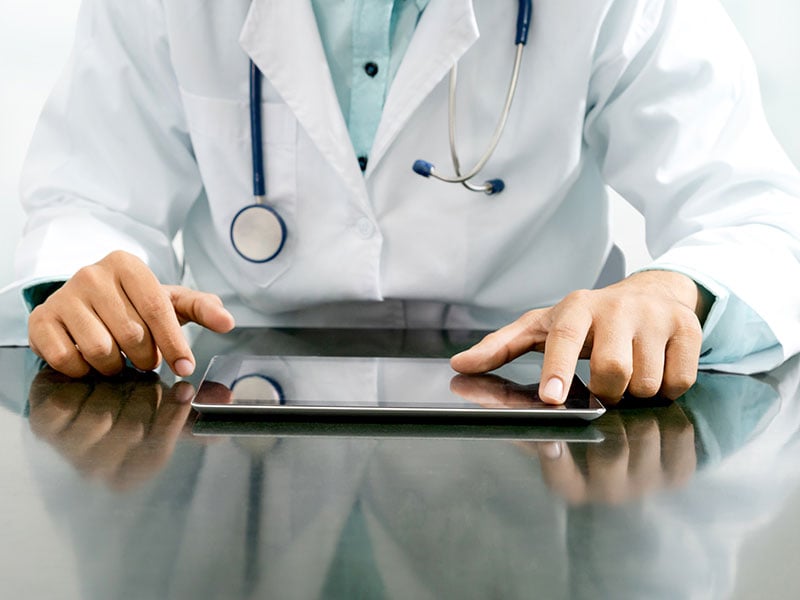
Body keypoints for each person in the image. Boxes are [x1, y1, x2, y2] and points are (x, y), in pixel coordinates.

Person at [16, 0, 800, 403]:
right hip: (234, 413)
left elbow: (751, 216)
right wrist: (80, 287)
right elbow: (87, 197)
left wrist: (678, 292)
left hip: (540, 406)